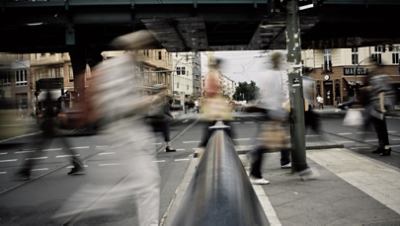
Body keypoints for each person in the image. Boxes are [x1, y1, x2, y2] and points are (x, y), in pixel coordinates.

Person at [17, 90, 85, 180]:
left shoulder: (47, 104)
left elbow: (49, 114)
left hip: (48, 128)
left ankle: (26, 170)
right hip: (52, 127)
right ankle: (77, 164)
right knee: (65, 147)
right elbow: (55, 113)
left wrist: (42, 120)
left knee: (38, 149)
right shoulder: (54, 104)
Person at [249, 52, 291, 185]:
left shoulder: (268, 74)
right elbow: (272, 97)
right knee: (265, 144)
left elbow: (264, 94)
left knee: (280, 140)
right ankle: (255, 174)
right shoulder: (273, 75)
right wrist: (279, 114)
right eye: (282, 60)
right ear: (277, 62)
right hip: (271, 112)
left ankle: (292, 164)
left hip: (269, 111)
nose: (283, 63)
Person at [362, 58, 396, 156]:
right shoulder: (377, 77)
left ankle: (386, 148)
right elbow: (377, 89)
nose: (367, 67)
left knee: (381, 129)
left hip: (378, 106)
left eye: (368, 65)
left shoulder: (378, 77)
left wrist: (381, 108)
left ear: (374, 66)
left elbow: (381, 92)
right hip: (375, 106)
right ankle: (382, 147)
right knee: (379, 128)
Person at [198, 57, 234, 149]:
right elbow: (210, 91)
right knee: (226, 128)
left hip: (214, 106)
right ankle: (233, 147)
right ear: (217, 65)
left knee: (210, 130)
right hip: (215, 107)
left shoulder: (211, 74)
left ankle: (201, 150)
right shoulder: (213, 75)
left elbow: (207, 91)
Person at [146, 85, 176, 152]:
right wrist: (169, 116)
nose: (165, 91)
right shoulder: (157, 98)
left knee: (164, 132)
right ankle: (168, 147)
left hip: (158, 118)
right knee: (164, 132)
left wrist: (170, 116)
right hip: (158, 118)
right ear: (160, 91)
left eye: (165, 90)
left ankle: (168, 146)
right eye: (164, 90)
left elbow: (166, 109)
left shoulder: (164, 98)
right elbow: (157, 110)